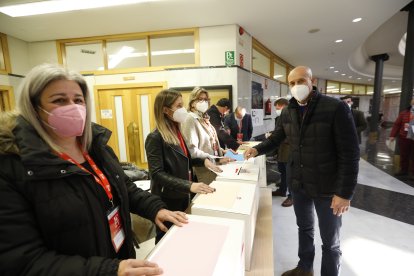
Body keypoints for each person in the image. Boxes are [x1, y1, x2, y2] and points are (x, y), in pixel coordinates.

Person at [0, 63, 188, 276]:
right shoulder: (12, 165)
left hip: (117, 257)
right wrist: (107, 270)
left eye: (78, 100)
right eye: (59, 100)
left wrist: (155, 208)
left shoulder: (95, 145)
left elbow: (123, 186)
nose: (72, 107)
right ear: (34, 108)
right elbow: (22, 260)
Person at [244, 66, 359, 276]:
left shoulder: (335, 108)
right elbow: (277, 138)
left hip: (328, 188)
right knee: (304, 229)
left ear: (311, 80)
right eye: (292, 83)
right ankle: (305, 268)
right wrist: (256, 149)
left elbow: (350, 153)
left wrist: (344, 193)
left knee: (330, 242)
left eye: (300, 81)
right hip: (299, 183)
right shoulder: (288, 111)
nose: (296, 86)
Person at [145, 89, 221, 243]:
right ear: (165, 110)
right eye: (179, 106)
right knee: (165, 238)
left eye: (182, 105)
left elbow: (185, 158)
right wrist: (189, 185)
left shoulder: (177, 131)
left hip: (181, 194)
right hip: (167, 198)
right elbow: (157, 173)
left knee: (179, 236)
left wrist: (203, 161)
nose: (183, 109)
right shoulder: (155, 138)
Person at [181, 87, 233, 184]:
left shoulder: (203, 118)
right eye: (200, 99)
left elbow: (209, 143)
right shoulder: (190, 119)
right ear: (192, 102)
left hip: (213, 167)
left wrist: (222, 151)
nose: (203, 102)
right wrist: (215, 158)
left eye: (205, 99)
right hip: (203, 170)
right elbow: (191, 150)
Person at [271, 98, 293, 207]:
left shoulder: (293, 118)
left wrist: (276, 138)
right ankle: (282, 190)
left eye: (278, 108)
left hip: (289, 151)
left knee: (290, 175)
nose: (277, 110)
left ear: (284, 106)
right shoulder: (279, 118)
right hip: (281, 150)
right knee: (283, 172)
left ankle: (291, 196)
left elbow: (293, 137)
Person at [389, 98, 414, 177]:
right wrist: (392, 135)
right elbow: (397, 124)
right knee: (404, 155)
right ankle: (403, 170)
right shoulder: (404, 113)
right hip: (404, 138)